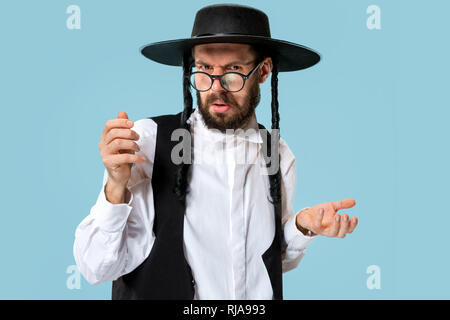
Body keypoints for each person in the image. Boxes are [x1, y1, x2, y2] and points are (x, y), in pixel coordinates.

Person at [73, 3, 358, 300]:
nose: (216, 88)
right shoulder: (148, 142)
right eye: (205, 70)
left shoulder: (277, 154)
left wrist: (302, 227)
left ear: (263, 71)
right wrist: (115, 187)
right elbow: (95, 268)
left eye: (233, 70)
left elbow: (268, 264)